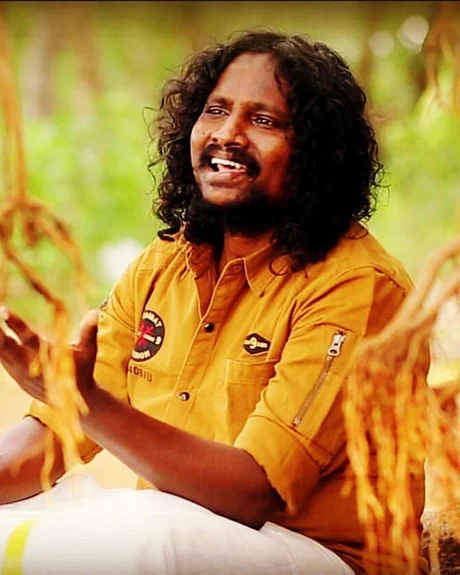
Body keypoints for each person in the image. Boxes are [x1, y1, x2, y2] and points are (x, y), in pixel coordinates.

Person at [0, 30, 428, 574]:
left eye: (264, 120)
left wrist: (89, 402)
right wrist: (72, 399)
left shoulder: (358, 285)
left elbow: (252, 493)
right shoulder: (163, 264)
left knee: (142, 534)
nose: (228, 134)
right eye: (216, 111)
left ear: (317, 153)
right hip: (178, 531)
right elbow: (49, 437)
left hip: (327, 556)